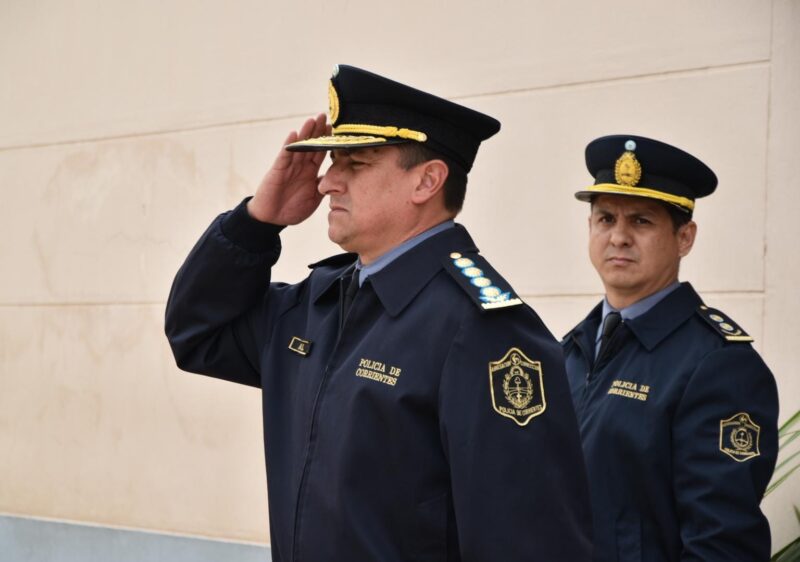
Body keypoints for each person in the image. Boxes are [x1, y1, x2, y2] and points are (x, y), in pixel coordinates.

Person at [165, 64, 592, 561]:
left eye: (356, 163)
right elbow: (197, 334)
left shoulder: (482, 330)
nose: (327, 183)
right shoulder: (318, 303)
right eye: (332, 162)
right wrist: (256, 222)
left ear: (427, 181)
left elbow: (527, 541)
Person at [562, 134, 779, 561]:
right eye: (606, 218)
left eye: (641, 221)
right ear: (590, 229)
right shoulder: (571, 350)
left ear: (685, 238)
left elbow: (722, 545)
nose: (619, 237)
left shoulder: (720, 366)